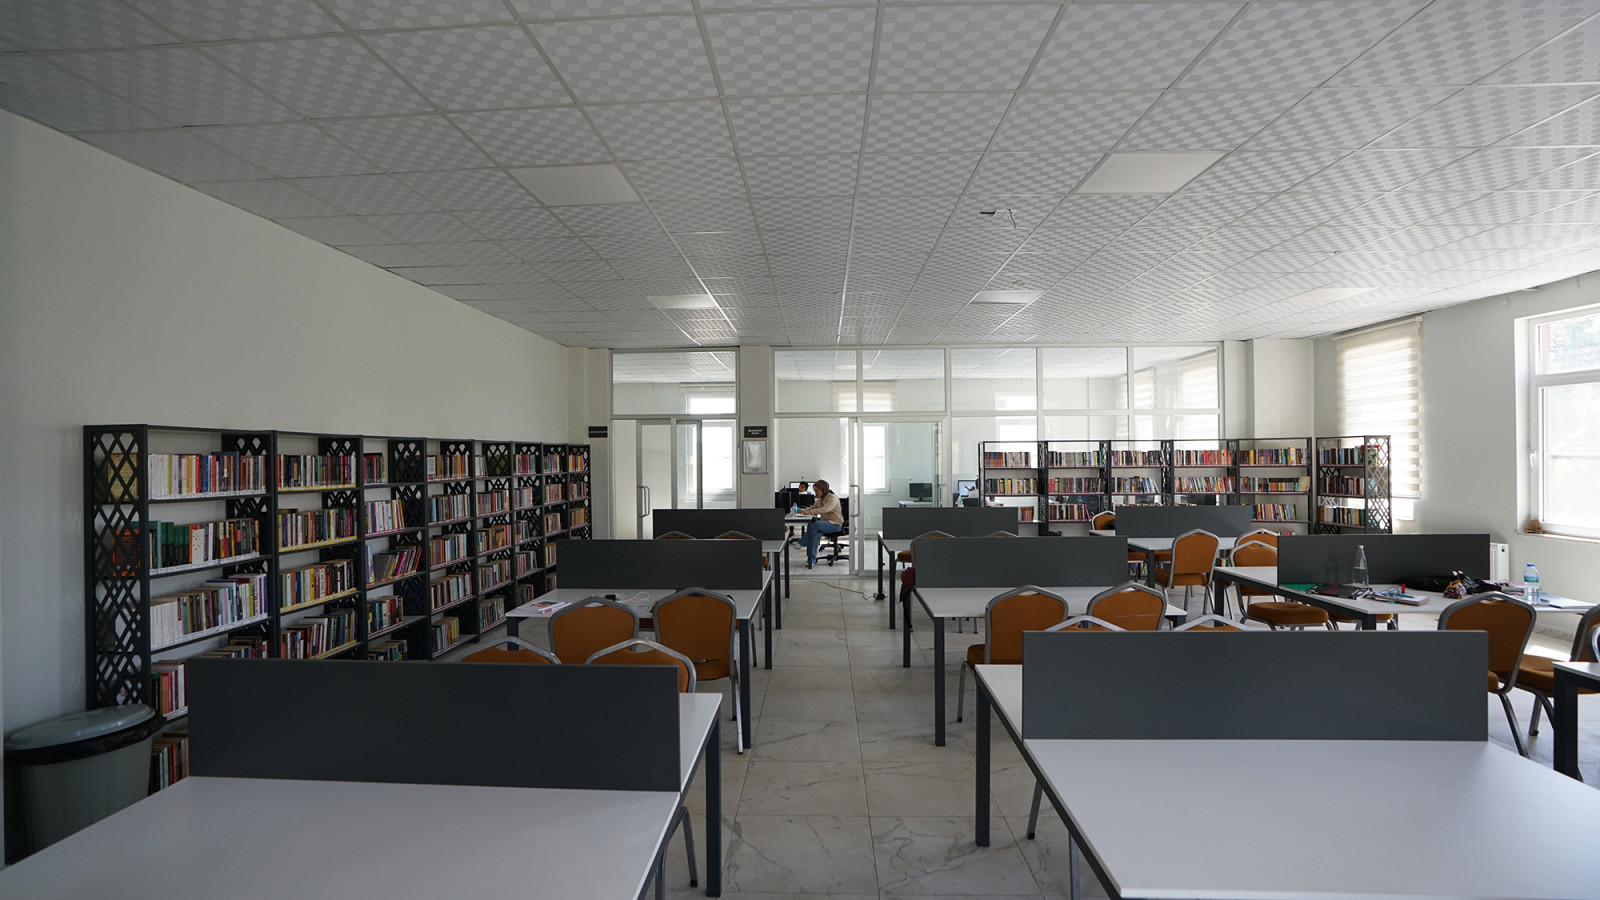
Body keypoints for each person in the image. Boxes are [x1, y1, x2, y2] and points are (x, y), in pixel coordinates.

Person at [796, 479, 843, 568]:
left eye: (817, 491)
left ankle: (801, 542)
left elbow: (825, 509)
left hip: (835, 524)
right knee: (815, 536)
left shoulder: (832, 498)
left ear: (823, 489)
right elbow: (813, 507)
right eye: (815, 491)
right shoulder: (820, 499)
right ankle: (811, 561)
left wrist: (810, 512)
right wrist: (803, 511)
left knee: (816, 524)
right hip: (825, 524)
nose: (816, 493)